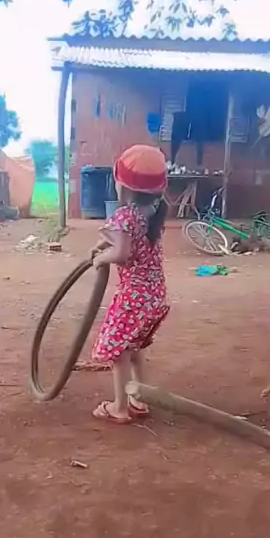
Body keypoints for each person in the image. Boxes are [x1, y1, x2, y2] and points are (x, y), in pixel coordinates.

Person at [91, 144, 169, 425]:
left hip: (134, 297)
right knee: (134, 350)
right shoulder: (154, 212)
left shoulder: (124, 215)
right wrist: (103, 244)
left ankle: (120, 407)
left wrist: (101, 259)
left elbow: (122, 252)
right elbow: (127, 238)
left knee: (118, 351)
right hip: (155, 296)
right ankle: (140, 399)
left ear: (120, 184)